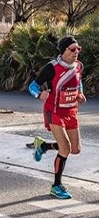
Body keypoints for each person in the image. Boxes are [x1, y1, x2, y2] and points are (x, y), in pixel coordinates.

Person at [28, 36, 87, 199]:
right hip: (54, 111)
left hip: (71, 112)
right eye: (72, 49)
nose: (76, 52)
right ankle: (56, 185)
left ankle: (44, 146)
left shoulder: (79, 66)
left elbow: (78, 82)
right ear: (63, 51)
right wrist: (39, 94)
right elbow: (32, 86)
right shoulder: (51, 68)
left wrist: (80, 94)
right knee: (65, 148)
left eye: (78, 49)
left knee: (75, 149)